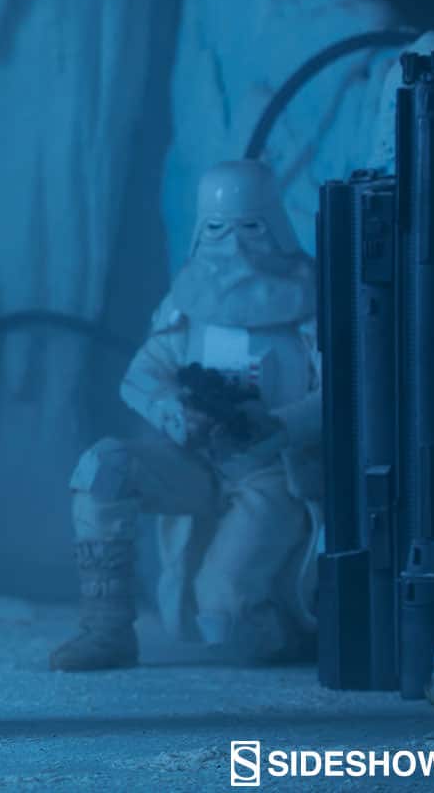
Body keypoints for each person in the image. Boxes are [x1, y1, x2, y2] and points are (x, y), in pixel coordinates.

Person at [51, 160, 322, 671]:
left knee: (226, 617)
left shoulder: (312, 302)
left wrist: (279, 424)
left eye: (249, 226)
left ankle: (293, 626)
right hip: (198, 459)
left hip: (272, 473)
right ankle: (105, 628)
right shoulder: (189, 299)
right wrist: (176, 413)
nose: (233, 242)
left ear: (273, 222)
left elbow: (341, 394)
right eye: (217, 227)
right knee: (102, 469)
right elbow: (142, 376)